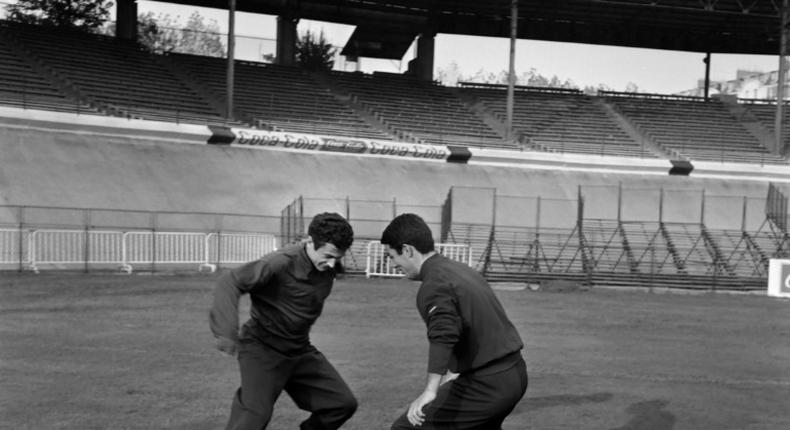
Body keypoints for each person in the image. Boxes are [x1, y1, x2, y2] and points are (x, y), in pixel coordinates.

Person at [210, 212, 357, 430]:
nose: (333, 263)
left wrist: (329, 260)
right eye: (328, 255)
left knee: (341, 404)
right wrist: (226, 332)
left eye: (338, 257)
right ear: (309, 241)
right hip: (262, 349)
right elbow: (230, 281)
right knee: (253, 417)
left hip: (298, 350)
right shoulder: (280, 262)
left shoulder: (327, 265)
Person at [380, 213, 528, 430]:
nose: (393, 265)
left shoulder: (434, 284)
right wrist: (453, 372)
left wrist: (430, 391)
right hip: (515, 374)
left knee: (404, 428)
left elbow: (444, 335)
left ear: (408, 250)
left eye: (392, 256)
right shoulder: (461, 270)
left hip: (487, 385)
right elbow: (473, 328)